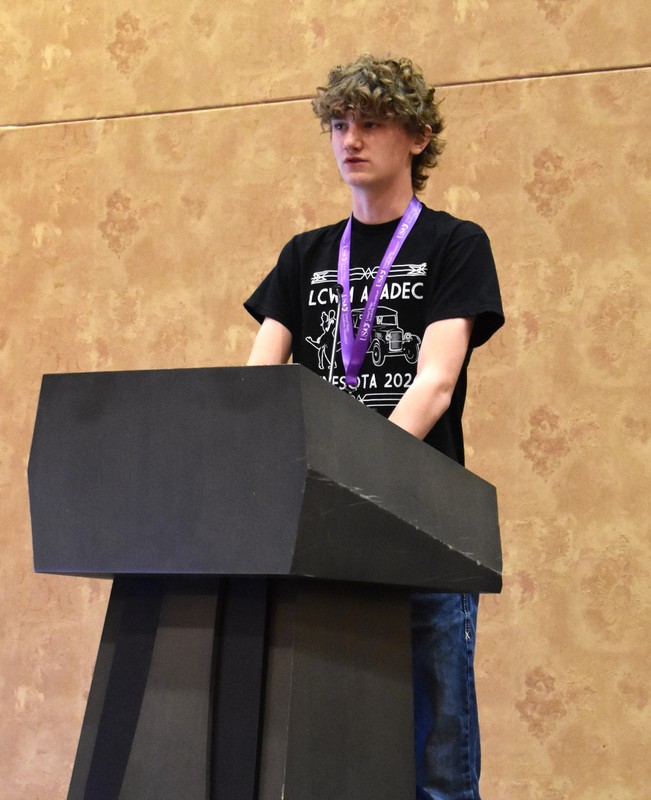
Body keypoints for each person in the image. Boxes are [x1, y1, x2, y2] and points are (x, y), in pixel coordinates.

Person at [244, 53, 504, 800]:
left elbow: (434, 381)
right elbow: (259, 389)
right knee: (328, 748)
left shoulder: (455, 244)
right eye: (338, 124)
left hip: (420, 522)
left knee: (437, 757)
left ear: (417, 137)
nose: (349, 140)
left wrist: (362, 475)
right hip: (321, 526)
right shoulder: (305, 256)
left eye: (371, 123)